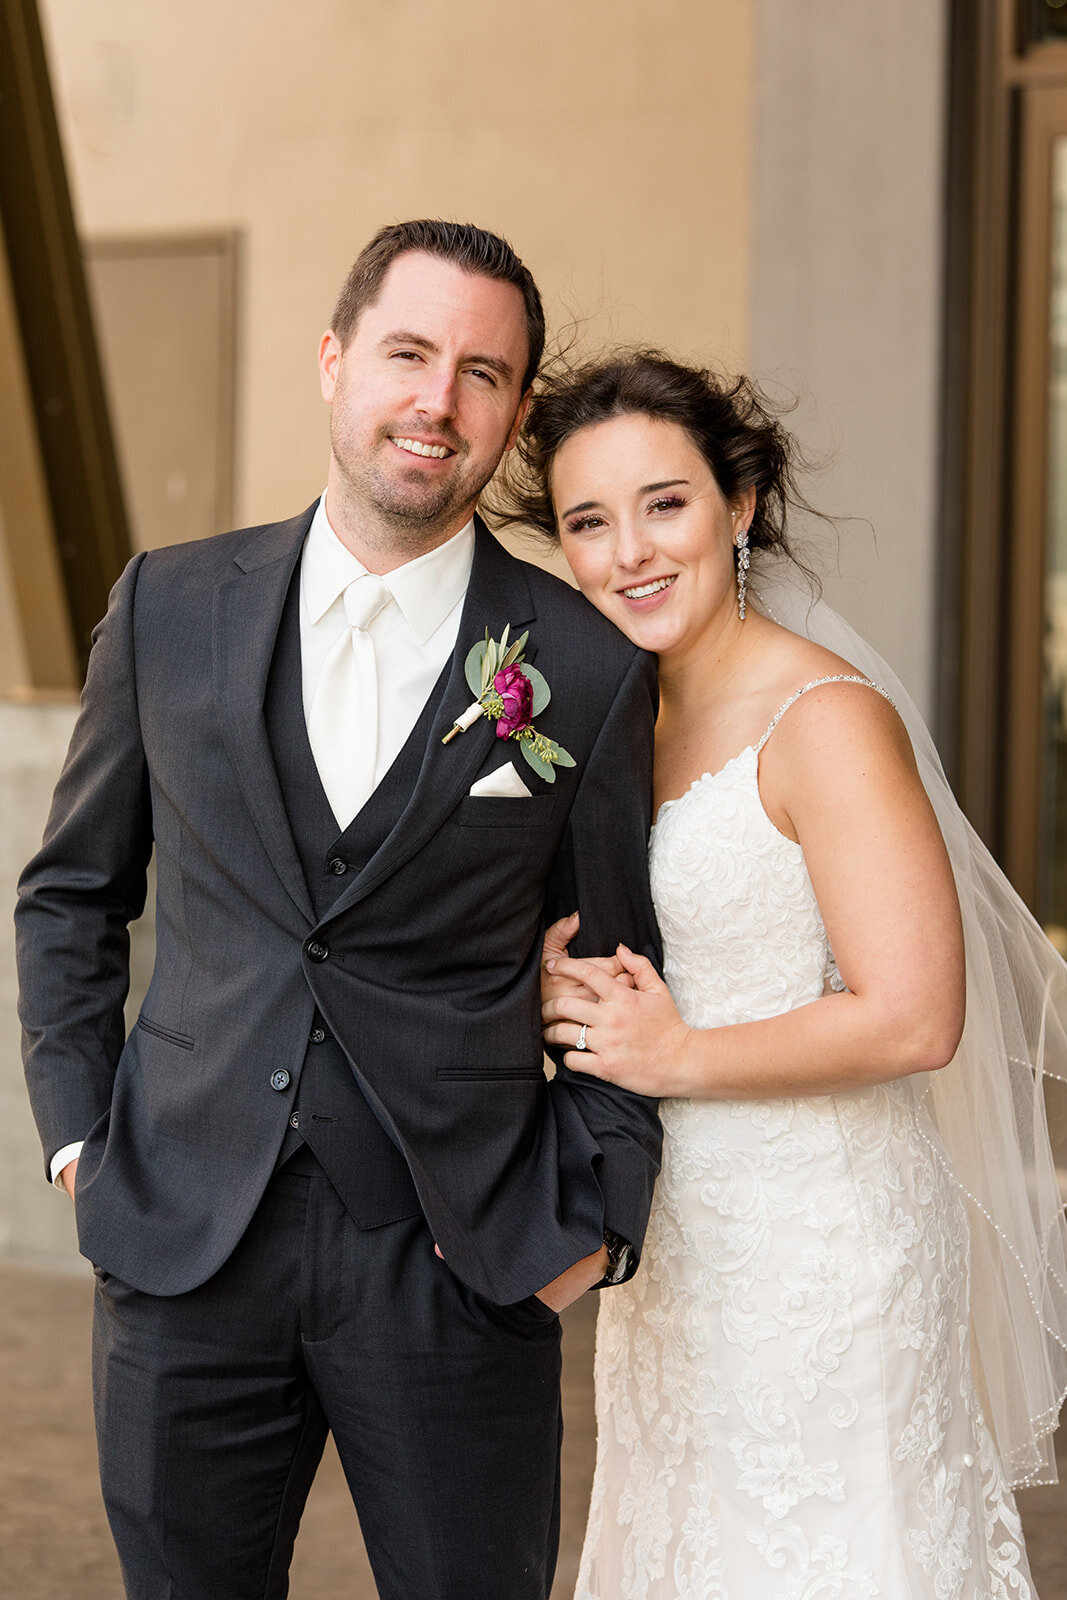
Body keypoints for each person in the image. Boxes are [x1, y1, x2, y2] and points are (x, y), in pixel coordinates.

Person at [15, 222, 664, 1600]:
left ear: (514, 415)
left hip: (456, 1261)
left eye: (481, 372)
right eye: (408, 353)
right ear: (333, 362)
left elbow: (617, 960)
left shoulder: (584, 667)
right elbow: (72, 892)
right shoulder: (168, 604)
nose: (436, 400)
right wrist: (81, 1141)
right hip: (184, 1241)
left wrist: (590, 1222)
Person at [493, 351, 1067, 1597]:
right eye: (589, 520)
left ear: (736, 504)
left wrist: (681, 1054)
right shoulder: (609, 720)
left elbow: (916, 1015)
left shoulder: (824, 719)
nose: (628, 550)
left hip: (824, 1245)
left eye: (665, 503)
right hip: (676, 1239)